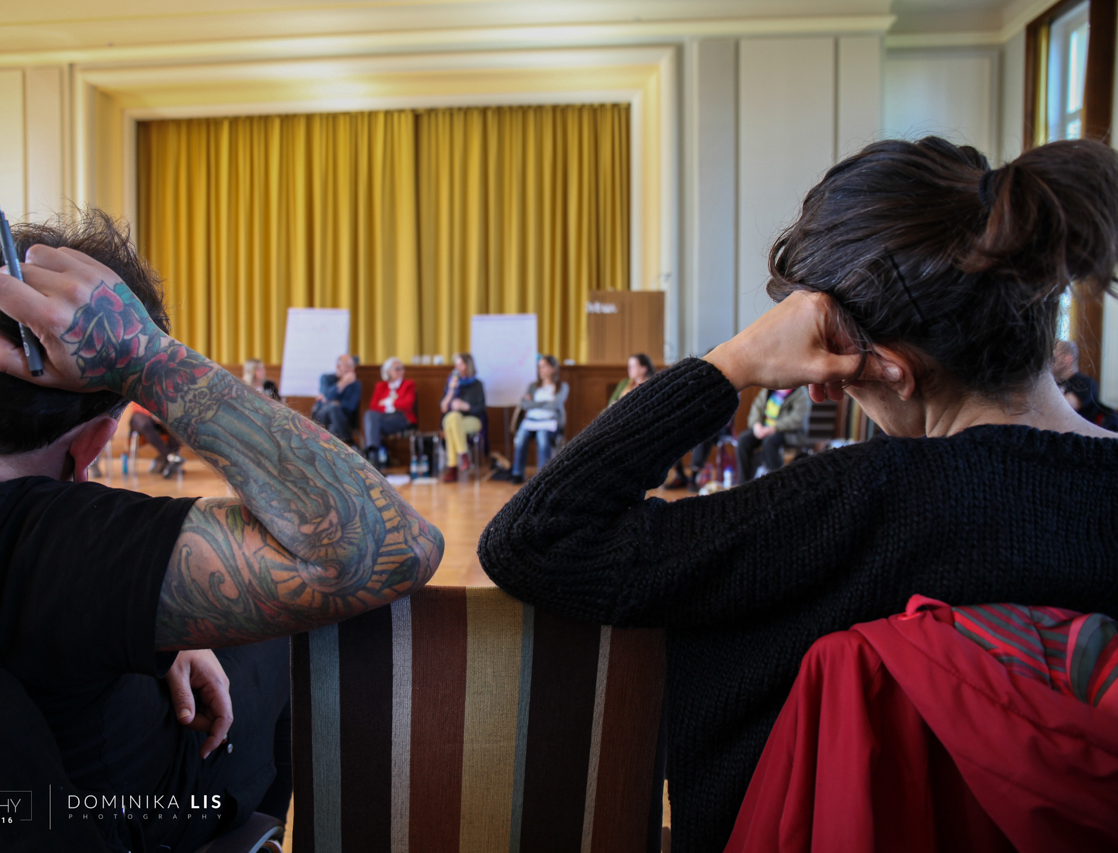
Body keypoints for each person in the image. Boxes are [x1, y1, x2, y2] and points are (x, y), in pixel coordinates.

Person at [478, 137, 1118, 853]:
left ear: (893, 368)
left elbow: (535, 539)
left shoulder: (864, 502)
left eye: (837, 367)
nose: (821, 390)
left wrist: (734, 360)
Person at [0, 210, 444, 853]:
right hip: (107, 812)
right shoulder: (50, 542)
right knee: (295, 628)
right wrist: (144, 357)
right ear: (94, 443)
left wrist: (155, 619)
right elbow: (390, 547)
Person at [497, 355, 568, 485]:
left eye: (544, 366)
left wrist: (533, 403)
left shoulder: (562, 386)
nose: (540, 370)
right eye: (539, 367)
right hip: (531, 421)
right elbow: (524, 404)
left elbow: (554, 405)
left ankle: (543, 475)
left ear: (553, 368)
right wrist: (545, 402)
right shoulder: (533, 386)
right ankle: (517, 473)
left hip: (549, 423)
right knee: (520, 438)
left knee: (542, 437)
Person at [734, 385, 811, 481]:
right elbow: (757, 408)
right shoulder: (770, 388)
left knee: (769, 442)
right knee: (743, 440)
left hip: (788, 432)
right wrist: (756, 424)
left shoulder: (800, 392)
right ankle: (743, 482)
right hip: (765, 429)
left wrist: (774, 428)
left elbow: (798, 419)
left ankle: (776, 480)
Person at [362, 356, 416, 469]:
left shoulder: (408, 385)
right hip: (382, 418)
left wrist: (388, 402)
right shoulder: (380, 386)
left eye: (402, 368)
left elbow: (407, 405)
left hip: (401, 418)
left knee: (373, 422)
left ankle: (372, 455)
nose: (401, 371)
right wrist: (393, 404)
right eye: (397, 369)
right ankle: (374, 453)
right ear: (388, 371)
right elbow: (373, 406)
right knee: (370, 415)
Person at [439, 352, 485, 483]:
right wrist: (451, 391)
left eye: (461, 365)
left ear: (468, 365)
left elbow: (481, 408)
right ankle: (464, 456)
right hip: (454, 420)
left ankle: (452, 467)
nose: (458, 368)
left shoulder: (477, 384)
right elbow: (443, 408)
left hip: (472, 419)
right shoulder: (452, 383)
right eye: (456, 365)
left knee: (451, 423)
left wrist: (466, 406)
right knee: (452, 418)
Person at [311, 354, 361, 442]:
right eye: (348, 366)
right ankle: (347, 441)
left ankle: (335, 444)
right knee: (333, 407)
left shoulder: (356, 385)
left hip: (343, 418)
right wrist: (343, 383)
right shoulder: (326, 378)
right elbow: (326, 396)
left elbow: (351, 406)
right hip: (323, 416)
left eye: (352, 366)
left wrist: (333, 402)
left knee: (333, 428)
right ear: (338, 366)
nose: (351, 369)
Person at [128, 404, 184, 477]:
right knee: (144, 424)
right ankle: (170, 456)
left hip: (163, 414)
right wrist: (153, 414)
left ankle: (170, 458)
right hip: (141, 414)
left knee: (176, 424)